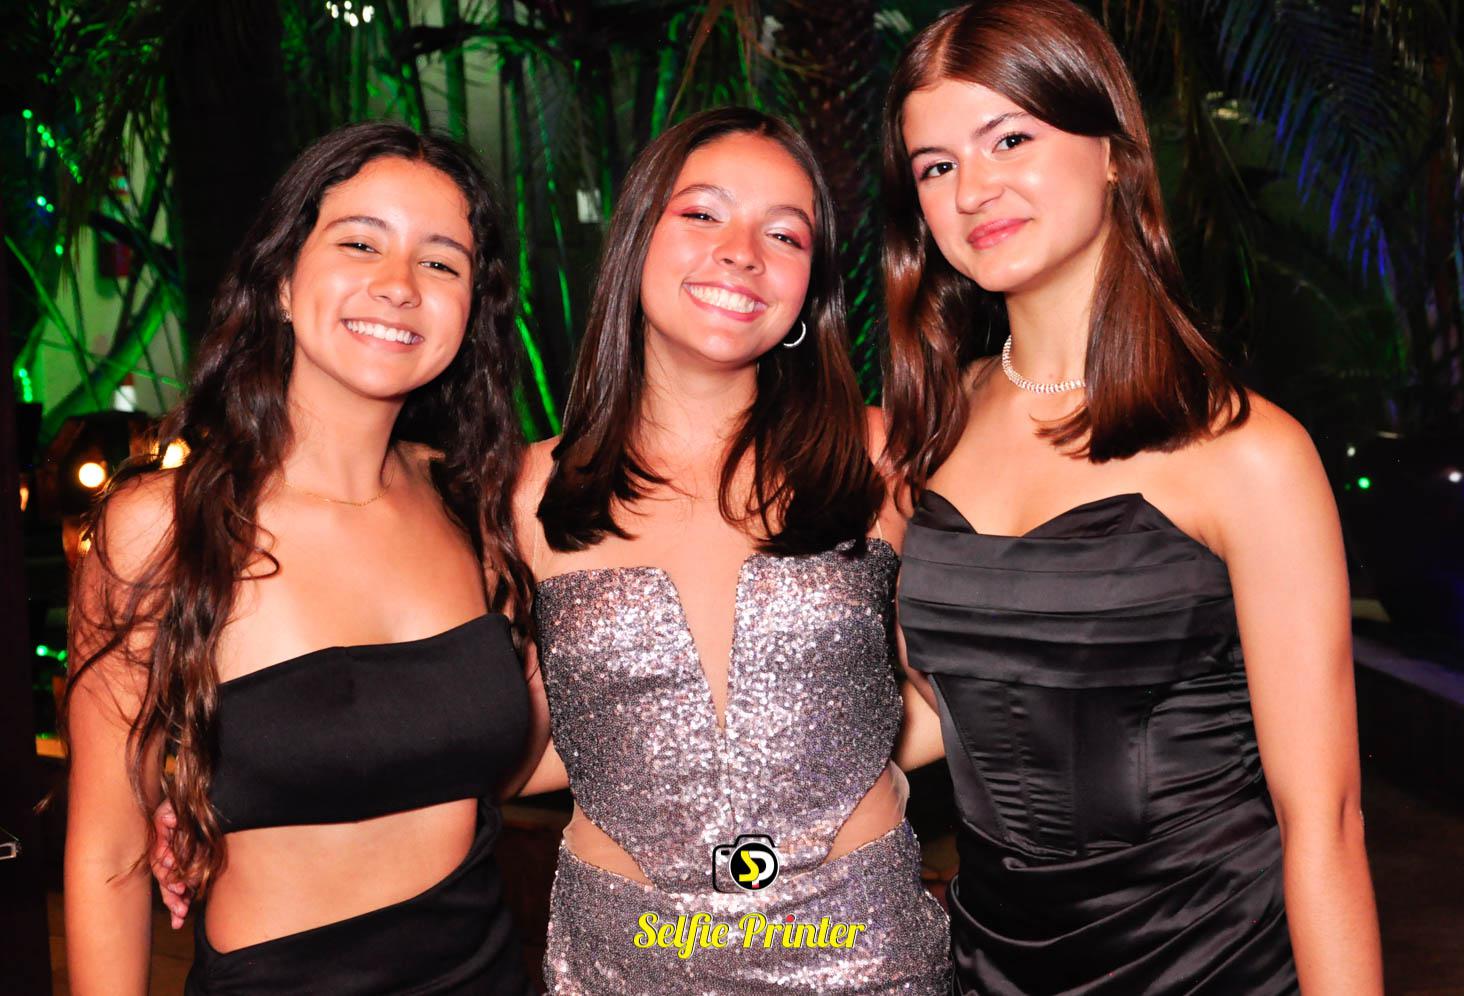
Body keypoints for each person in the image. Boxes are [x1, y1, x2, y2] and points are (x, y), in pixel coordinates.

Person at [882, 2, 1383, 993]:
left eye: (1010, 139)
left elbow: (1324, 823)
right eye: (935, 166)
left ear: (1112, 151)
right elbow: (948, 706)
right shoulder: (928, 427)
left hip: (1209, 963)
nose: (972, 189)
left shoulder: (1247, 452)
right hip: (990, 963)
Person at [64, 121, 537, 995]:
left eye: (441, 262)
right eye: (360, 243)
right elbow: (108, 857)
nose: (399, 284)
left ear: (471, 310)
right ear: (281, 279)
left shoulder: (478, 508)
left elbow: (514, 750)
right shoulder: (161, 530)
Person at [514, 106, 951, 994]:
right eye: (702, 214)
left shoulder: (881, 457)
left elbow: (980, 688)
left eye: (783, 235)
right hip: (622, 966)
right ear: (638, 238)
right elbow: (502, 746)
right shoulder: (526, 491)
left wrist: (847, 766)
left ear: (808, 292)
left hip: (864, 956)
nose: (742, 252)